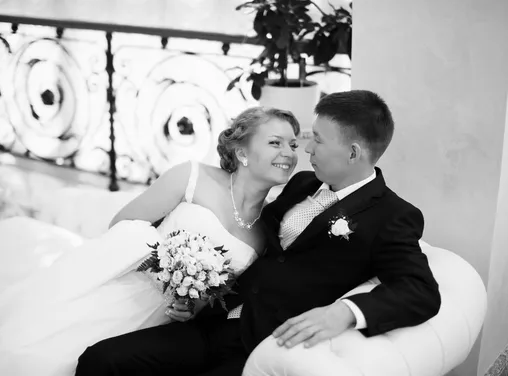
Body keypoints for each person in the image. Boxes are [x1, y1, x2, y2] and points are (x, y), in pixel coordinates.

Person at [75, 90, 442, 376]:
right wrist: (200, 292)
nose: (305, 148)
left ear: (353, 152)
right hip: (212, 323)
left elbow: (421, 291)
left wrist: (344, 312)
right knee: (102, 360)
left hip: (263, 346)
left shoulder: (392, 216)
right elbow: (253, 237)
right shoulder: (301, 183)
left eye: (318, 140)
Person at [0, 106, 300, 376]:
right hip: (121, 286)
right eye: (275, 142)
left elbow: (219, 294)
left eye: (293, 144)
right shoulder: (191, 177)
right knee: (28, 355)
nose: (289, 153)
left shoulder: (265, 230)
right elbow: (123, 222)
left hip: (162, 323)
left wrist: (191, 305)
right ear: (241, 152)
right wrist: (169, 261)